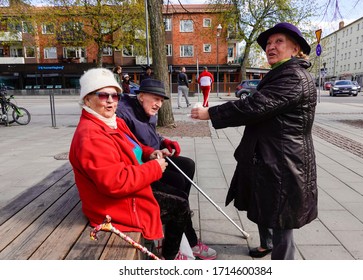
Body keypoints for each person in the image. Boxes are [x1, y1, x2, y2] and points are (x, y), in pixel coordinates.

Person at [191, 22, 318, 260]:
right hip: (270, 157)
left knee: (282, 220)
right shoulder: (280, 73)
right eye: (269, 43)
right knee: (266, 205)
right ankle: (266, 243)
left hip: (284, 162)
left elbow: (256, 106)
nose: (271, 47)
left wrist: (211, 113)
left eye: (278, 41)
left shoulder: (294, 77)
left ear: (295, 48)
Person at [69, 68, 191, 260]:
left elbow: (135, 144)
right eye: (103, 95)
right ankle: (169, 257)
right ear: (87, 99)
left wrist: (151, 153)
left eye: (115, 95)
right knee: (180, 206)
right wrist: (154, 168)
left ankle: (172, 246)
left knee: (180, 192)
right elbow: (114, 183)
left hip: (129, 184)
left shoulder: (111, 121)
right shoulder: (91, 135)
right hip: (112, 204)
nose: (110, 100)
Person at [116, 78, 217, 260]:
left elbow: (152, 133)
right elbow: (131, 146)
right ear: (141, 96)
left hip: (155, 156)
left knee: (188, 165)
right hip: (141, 164)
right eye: (155, 98)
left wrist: (163, 141)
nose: (159, 104)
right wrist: (151, 154)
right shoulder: (124, 114)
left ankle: (177, 222)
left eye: (162, 100)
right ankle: (183, 232)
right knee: (179, 188)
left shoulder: (150, 110)